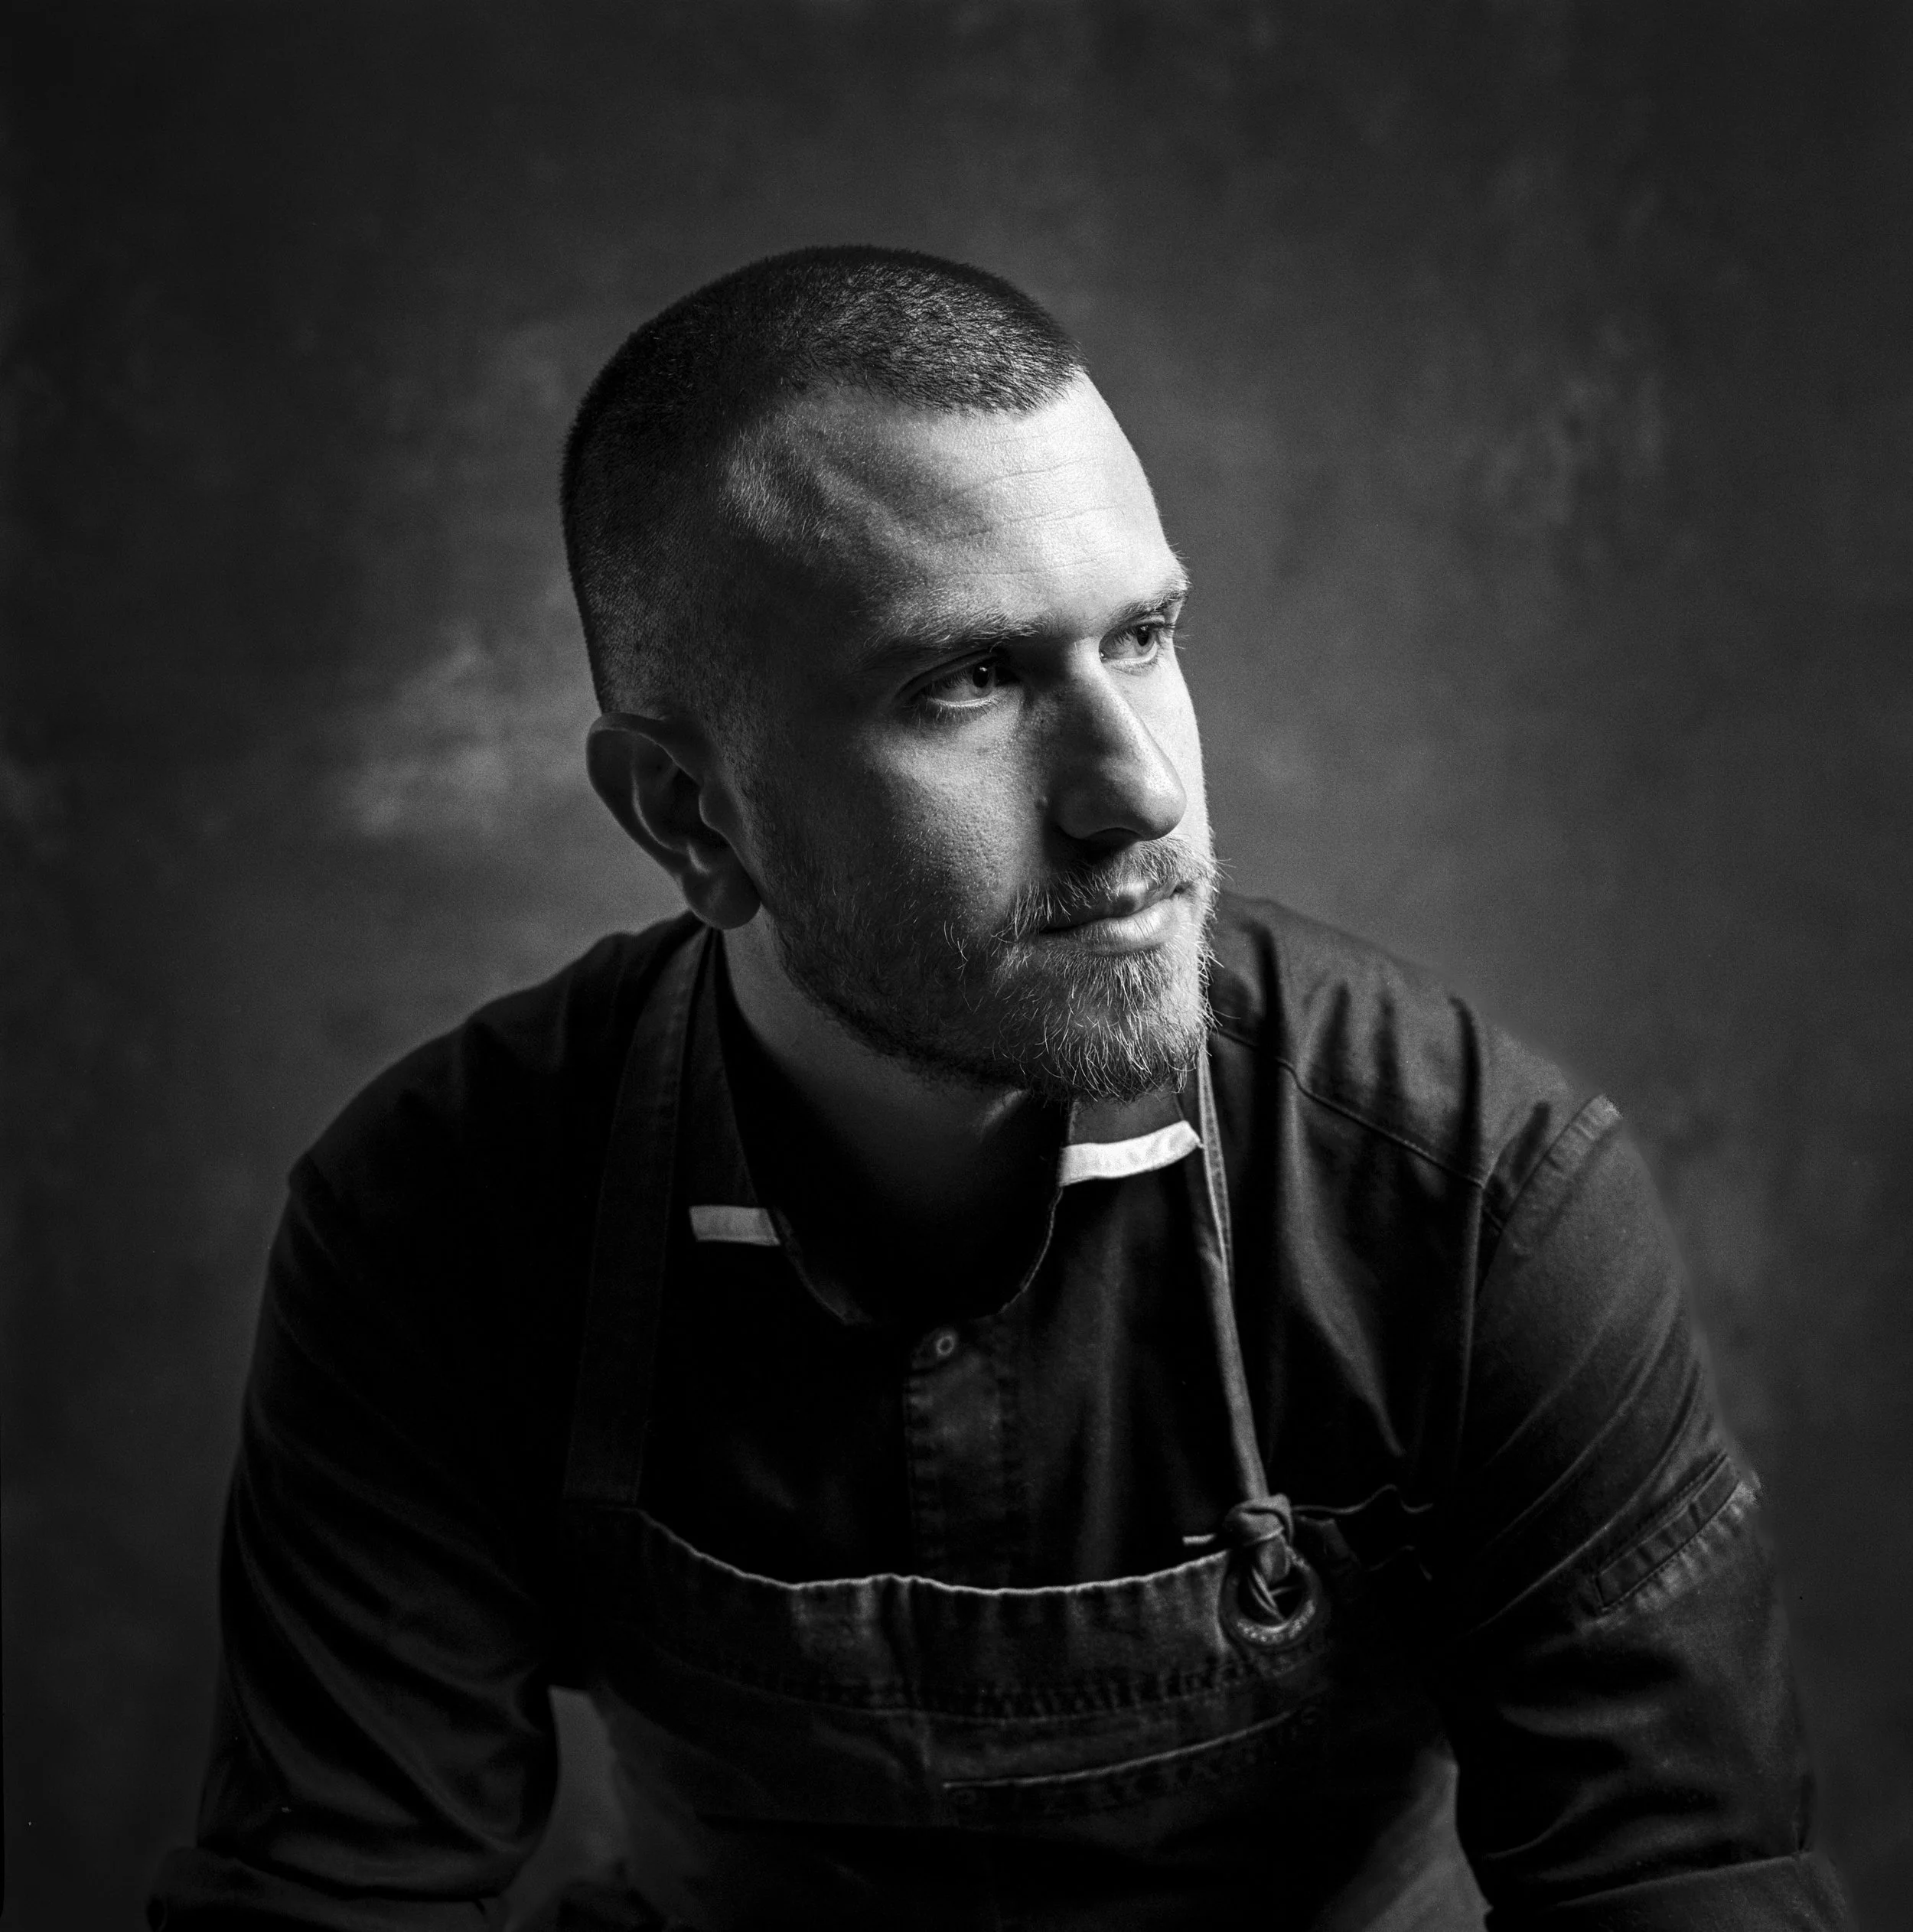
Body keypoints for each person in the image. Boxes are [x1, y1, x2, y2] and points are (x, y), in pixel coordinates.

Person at [150, 247, 1850, 1931]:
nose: (1137, 792)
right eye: (965, 680)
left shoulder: (1474, 1191)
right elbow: (328, 1893)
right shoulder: (446, 1212)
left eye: (1145, 634)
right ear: (687, 815)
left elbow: (1686, 1885)